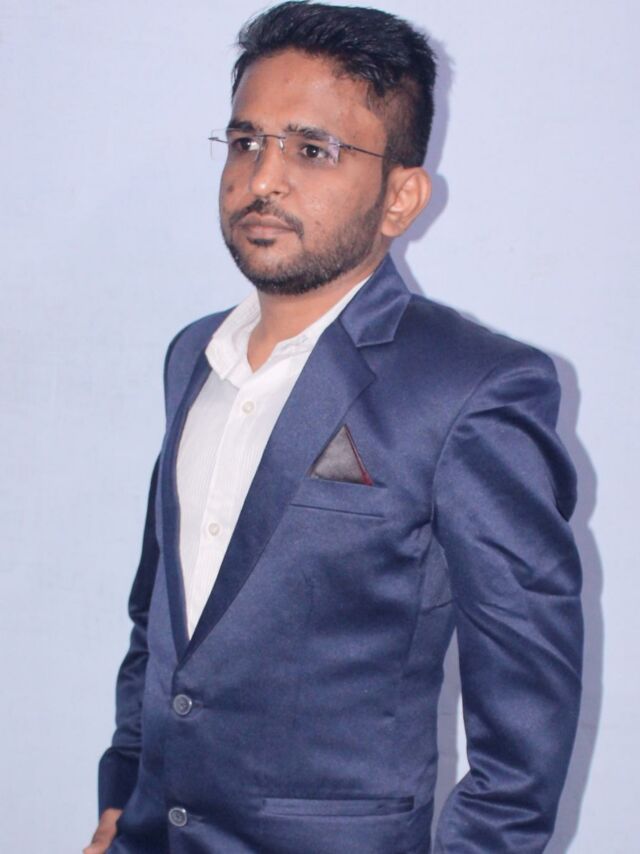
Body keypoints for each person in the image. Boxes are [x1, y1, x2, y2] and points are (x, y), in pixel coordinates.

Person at [85, 2, 583, 852]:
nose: (263, 179)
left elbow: (526, 721)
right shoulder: (193, 356)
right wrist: (121, 792)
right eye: (246, 142)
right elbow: (160, 612)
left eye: (311, 150)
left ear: (401, 198)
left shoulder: (471, 388)